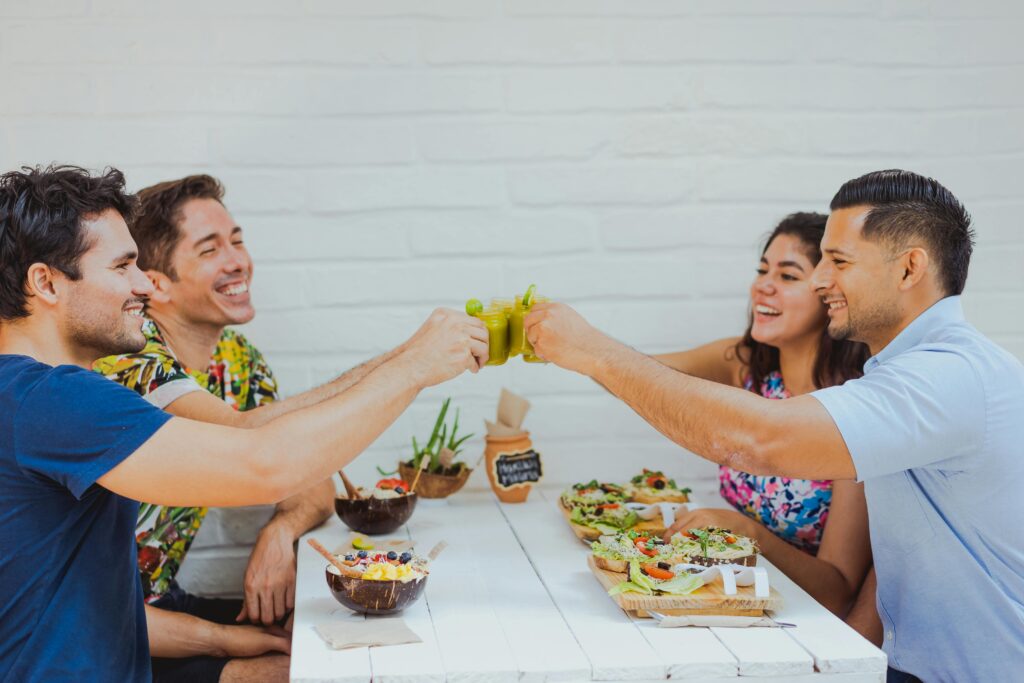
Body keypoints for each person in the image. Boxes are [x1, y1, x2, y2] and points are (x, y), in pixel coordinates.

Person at [525, 169, 1024, 682]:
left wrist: (593, 351)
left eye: (838, 261)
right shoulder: (900, 375)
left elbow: (760, 440)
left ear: (909, 267)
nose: (822, 279)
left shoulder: (948, 376)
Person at [0, 165, 488, 682]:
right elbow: (264, 463)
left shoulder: (35, 395)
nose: (144, 284)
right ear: (45, 282)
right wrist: (414, 366)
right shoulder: (52, 399)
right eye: (123, 267)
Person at [91, 175, 359, 682]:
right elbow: (255, 442)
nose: (237, 260)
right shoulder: (129, 358)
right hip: (96, 629)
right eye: (210, 249)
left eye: (237, 240)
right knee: (284, 671)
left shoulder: (239, 361)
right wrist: (407, 367)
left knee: (326, 639)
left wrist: (282, 531)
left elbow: (314, 479)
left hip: (158, 606)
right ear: (155, 283)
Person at [652, 212, 877, 637]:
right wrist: (567, 345)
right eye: (762, 270)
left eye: (788, 275)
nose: (763, 285)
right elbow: (643, 377)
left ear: (830, 294)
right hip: (735, 606)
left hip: (804, 630)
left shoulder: (855, 414)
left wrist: (747, 534)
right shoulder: (747, 367)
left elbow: (837, 591)